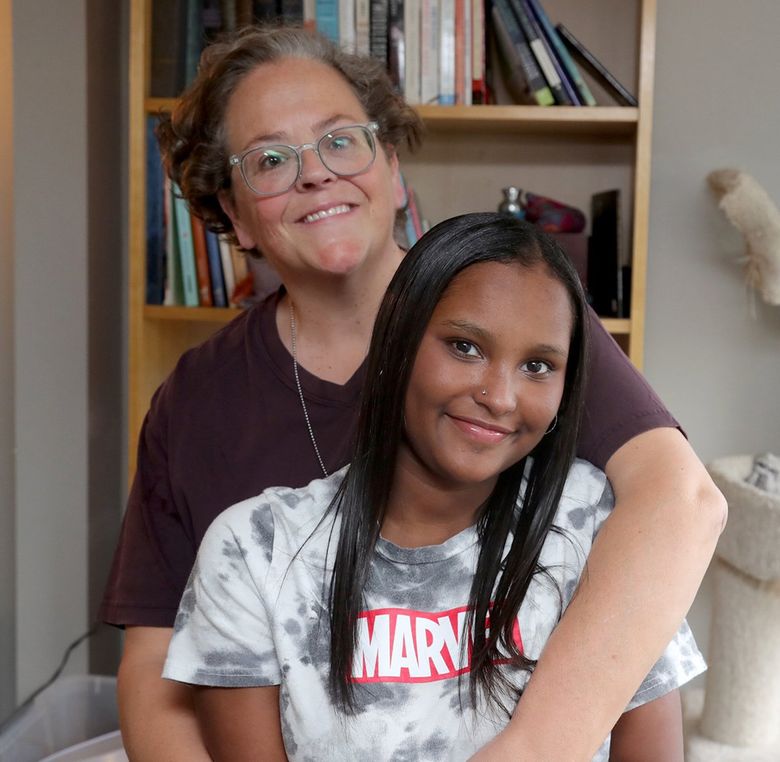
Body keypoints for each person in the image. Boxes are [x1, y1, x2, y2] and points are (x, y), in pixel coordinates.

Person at [101, 25, 725, 761]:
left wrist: (533, 747)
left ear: (391, 168)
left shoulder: (519, 316)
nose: (314, 174)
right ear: (233, 214)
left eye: (342, 140)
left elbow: (681, 502)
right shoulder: (198, 403)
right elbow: (155, 667)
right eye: (270, 159)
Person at [162, 213, 705, 761]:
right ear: (397, 339)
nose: (500, 396)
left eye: (538, 365)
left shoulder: (602, 526)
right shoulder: (255, 549)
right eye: (465, 347)